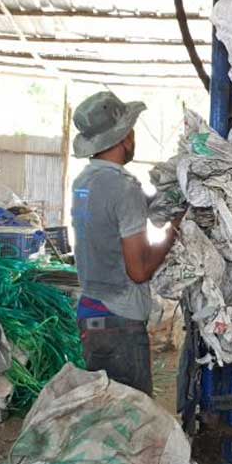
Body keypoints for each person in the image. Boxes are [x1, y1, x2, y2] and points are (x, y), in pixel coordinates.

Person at [69, 90, 178, 395]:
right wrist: (173, 233)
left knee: (106, 412)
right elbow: (139, 271)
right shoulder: (123, 187)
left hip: (90, 310)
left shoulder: (84, 182)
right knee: (132, 419)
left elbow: (105, 225)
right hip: (120, 319)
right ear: (126, 136)